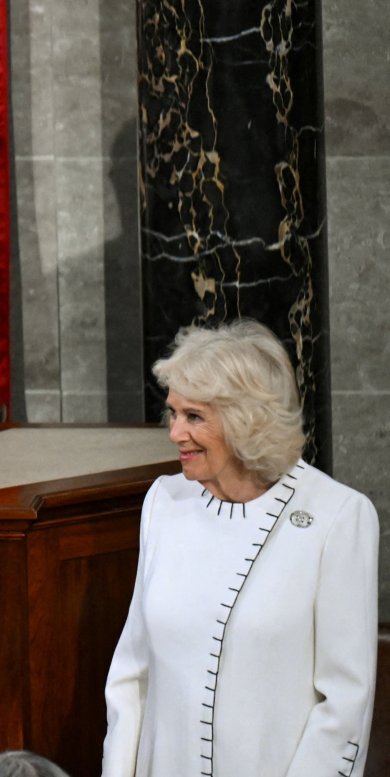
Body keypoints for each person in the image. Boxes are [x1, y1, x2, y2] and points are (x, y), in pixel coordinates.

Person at [103, 320, 376, 776]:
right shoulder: (163, 502)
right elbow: (132, 673)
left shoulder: (339, 517)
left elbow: (344, 703)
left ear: (246, 419)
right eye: (173, 413)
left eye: (194, 417)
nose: (175, 433)